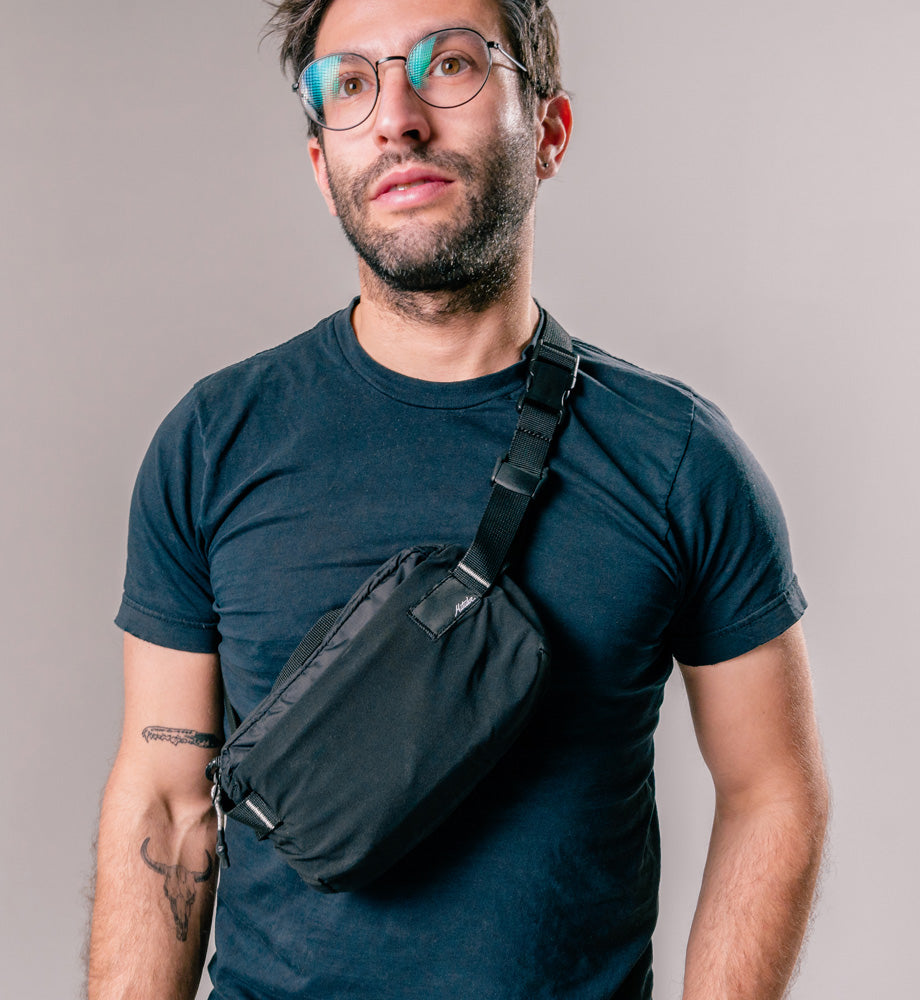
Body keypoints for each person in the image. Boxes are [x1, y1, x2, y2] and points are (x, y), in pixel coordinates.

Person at [87, 0, 829, 997]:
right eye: (350, 84)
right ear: (322, 167)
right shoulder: (215, 443)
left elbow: (772, 788)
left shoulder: (680, 460)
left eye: (450, 65)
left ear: (549, 133)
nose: (396, 116)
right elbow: (166, 803)